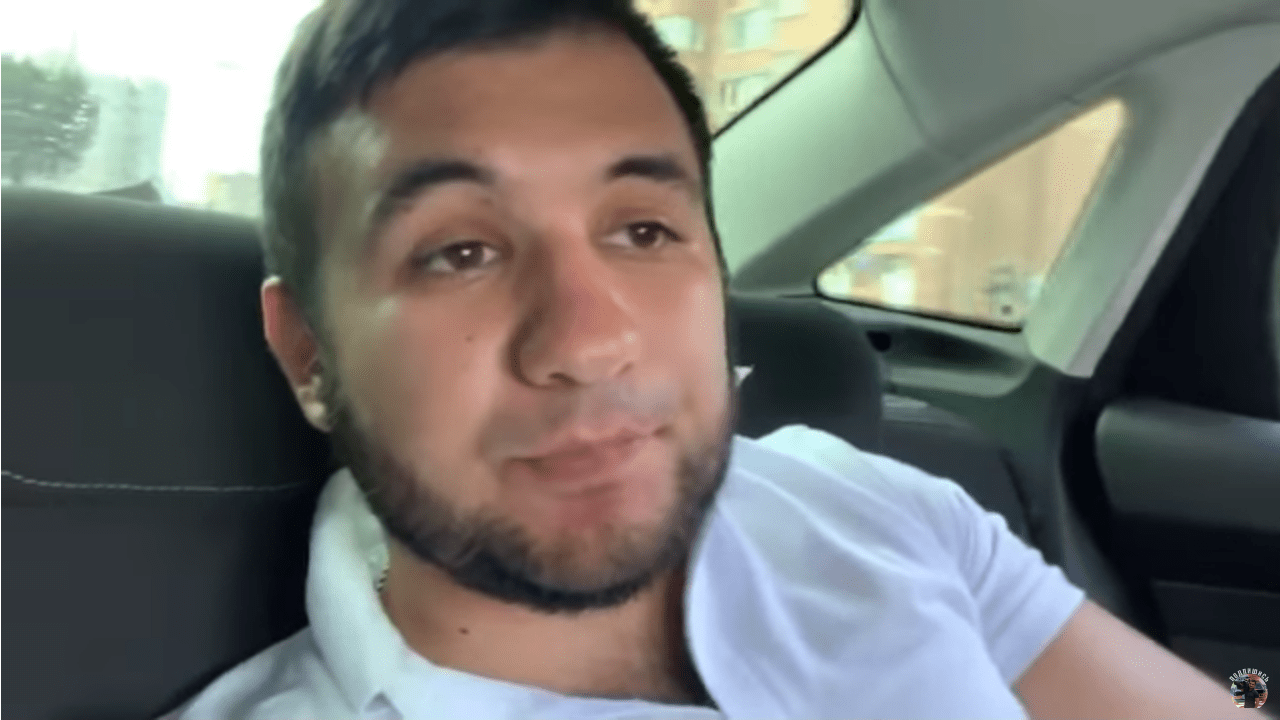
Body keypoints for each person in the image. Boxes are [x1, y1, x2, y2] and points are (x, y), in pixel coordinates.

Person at [167, 1, 1246, 717]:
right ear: (308, 353)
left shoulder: (865, 507)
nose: (590, 342)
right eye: (459, 252)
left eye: (643, 229)